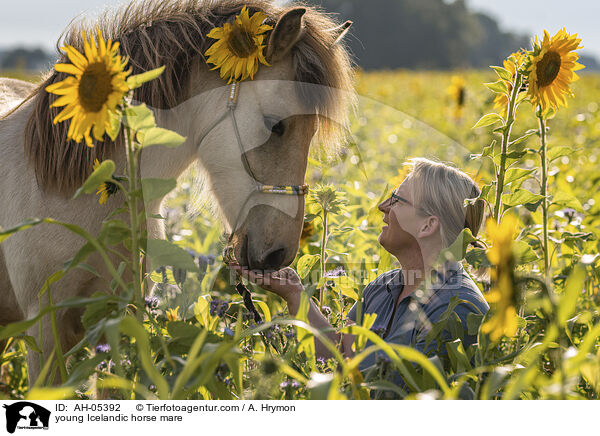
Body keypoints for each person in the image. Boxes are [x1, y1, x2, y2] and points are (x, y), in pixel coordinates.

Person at [229, 157, 489, 378]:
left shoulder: (456, 308)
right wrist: (295, 293)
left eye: (396, 200)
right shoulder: (384, 287)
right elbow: (341, 354)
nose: (382, 207)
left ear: (427, 226)